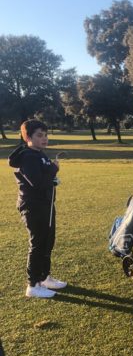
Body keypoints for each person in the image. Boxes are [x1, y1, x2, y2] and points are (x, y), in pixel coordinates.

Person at [8, 120, 67, 298]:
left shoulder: (39, 154)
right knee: (38, 243)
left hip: (46, 204)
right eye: (39, 135)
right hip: (33, 207)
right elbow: (38, 182)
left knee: (48, 241)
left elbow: (45, 178)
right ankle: (32, 285)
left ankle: (44, 277)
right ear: (27, 137)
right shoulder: (28, 157)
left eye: (45, 135)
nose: (44, 138)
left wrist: (52, 176)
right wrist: (53, 171)